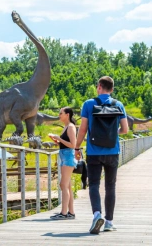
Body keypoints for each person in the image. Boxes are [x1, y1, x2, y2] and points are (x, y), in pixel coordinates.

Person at [76, 76, 129, 234]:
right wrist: (113, 135)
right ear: (111, 89)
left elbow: (83, 129)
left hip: (93, 151)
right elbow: (125, 130)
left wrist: (77, 147)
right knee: (110, 186)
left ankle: (97, 214)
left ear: (99, 87)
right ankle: (109, 222)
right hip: (112, 152)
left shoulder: (88, 104)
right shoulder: (118, 105)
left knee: (93, 184)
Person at [48, 107, 78, 220]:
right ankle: (70, 212)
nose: (59, 115)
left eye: (61, 113)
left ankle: (64, 213)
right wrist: (56, 141)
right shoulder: (66, 127)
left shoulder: (70, 127)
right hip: (64, 156)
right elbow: (65, 144)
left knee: (63, 185)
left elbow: (73, 145)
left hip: (68, 157)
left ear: (67, 114)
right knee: (68, 186)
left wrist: (59, 139)